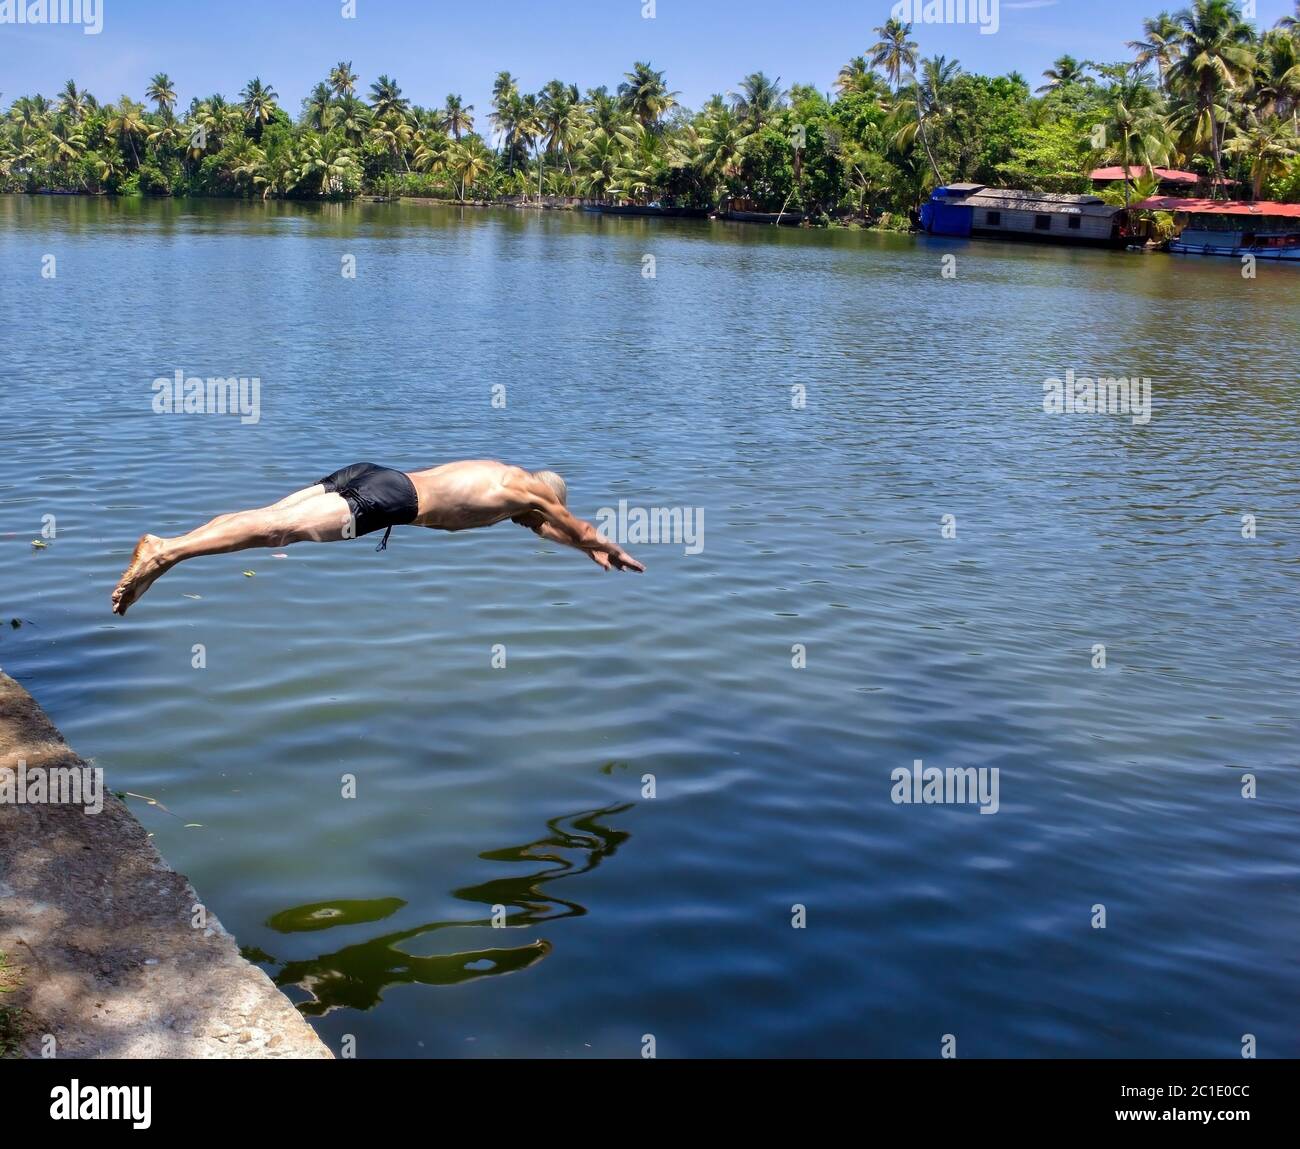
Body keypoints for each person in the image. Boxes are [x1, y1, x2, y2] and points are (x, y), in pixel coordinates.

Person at [110, 460, 644, 616]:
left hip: (372, 474)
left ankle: (170, 546)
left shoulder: (505, 482)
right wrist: (601, 547)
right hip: (393, 502)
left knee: (266, 518)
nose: (534, 527)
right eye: (540, 516)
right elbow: (572, 526)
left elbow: (549, 528)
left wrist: (578, 545)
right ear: (547, 498)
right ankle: (166, 550)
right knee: (277, 531)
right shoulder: (530, 491)